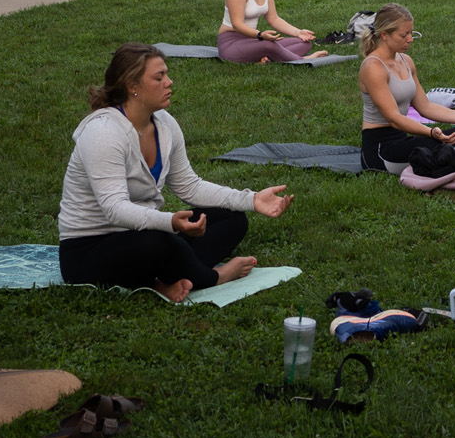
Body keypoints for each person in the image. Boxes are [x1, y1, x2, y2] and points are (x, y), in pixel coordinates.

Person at [59, 43, 294, 301]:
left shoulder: (165, 124)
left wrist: (250, 199)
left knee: (231, 218)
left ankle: (163, 279)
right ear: (132, 86)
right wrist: (169, 223)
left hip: (145, 235)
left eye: (167, 75)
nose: (169, 82)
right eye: (159, 77)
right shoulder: (103, 133)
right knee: (161, 242)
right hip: (89, 251)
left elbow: (189, 186)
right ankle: (213, 277)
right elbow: (114, 208)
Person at [360, 4, 455, 170]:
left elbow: (426, 107)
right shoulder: (373, 67)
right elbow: (393, 118)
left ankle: (448, 166)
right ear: (385, 35)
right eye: (404, 35)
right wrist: (430, 133)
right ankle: (452, 167)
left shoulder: (406, 61)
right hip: (380, 150)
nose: (410, 39)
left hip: (402, 140)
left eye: (411, 33)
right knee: (440, 146)